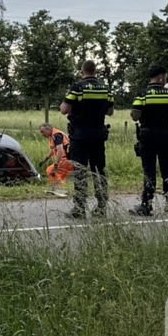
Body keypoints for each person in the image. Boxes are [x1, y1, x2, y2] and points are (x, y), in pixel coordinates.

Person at [60, 59, 114, 218]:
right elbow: (110, 112)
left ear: (82, 72)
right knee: (99, 171)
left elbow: (64, 109)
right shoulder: (106, 89)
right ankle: (101, 207)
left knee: (80, 171)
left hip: (80, 134)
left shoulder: (77, 87)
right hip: (98, 133)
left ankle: (79, 208)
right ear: (95, 71)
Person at [130, 65, 168, 216]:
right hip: (165, 135)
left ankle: (146, 204)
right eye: (165, 77)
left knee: (149, 171)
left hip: (147, 136)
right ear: (160, 77)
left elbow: (135, 115)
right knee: (167, 170)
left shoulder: (142, 94)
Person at [38, 123, 73, 197]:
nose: (42, 134)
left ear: (48, 129)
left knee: (50, 170)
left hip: (65, 159)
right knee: (58, 175)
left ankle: (58, 189)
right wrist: (45, 159)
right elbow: (53, 149)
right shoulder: (53, 135)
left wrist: (56, 165)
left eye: (42, 132)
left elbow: (60, 150)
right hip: (70, 159)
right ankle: (59, 189)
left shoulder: (56, 135)